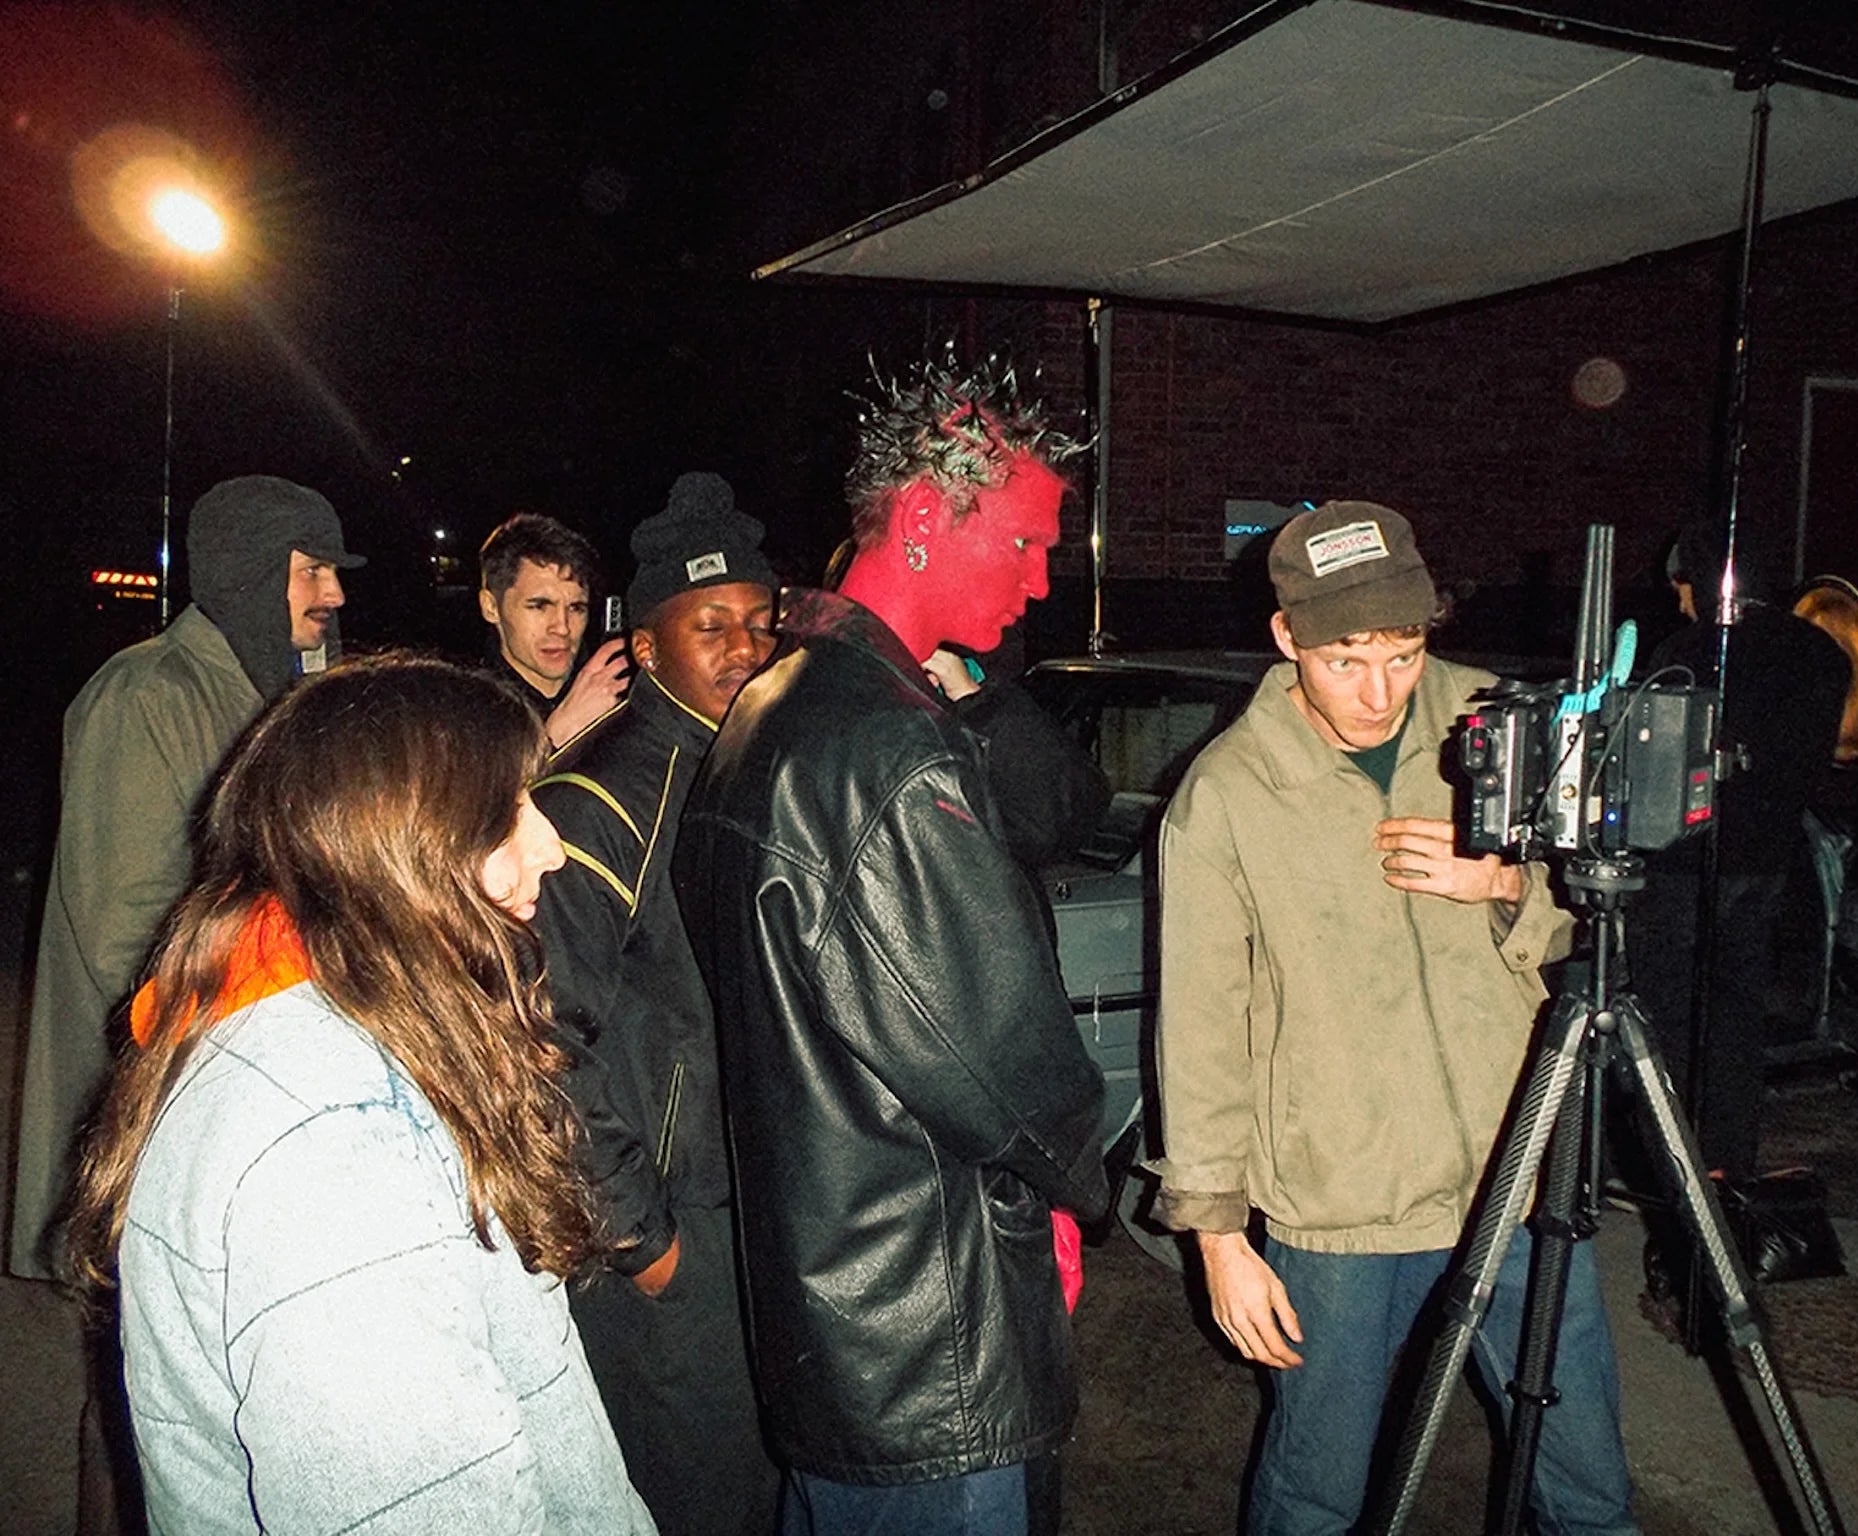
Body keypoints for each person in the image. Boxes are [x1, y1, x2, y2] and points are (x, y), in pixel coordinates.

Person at [64, 654, 657, 1536]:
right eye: (510, 812)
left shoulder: (324, 1024)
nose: (552, 846)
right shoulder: (333, 1150)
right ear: (404, 847)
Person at [674, 357, 1108, 1535]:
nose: (1041, 577)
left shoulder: (772, 704)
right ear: (922, 519)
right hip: (928, 1338)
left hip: (832, 1320)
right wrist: (1082, 1182)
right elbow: (1001, 1057)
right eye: (1024, 542)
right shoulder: (885, 748)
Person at [1153, 502, 1637, 1535]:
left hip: (1515, 1181)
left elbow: (1592, 912)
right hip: (1341, 1207)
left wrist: (1504, 883)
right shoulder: (1227, 794)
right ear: (1288, 638)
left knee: (1590, 1491)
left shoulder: (1496, 727)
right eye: (1346, 661)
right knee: (1317, 1496)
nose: (1379, 693)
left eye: (1404, 656)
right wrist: (1219, 1240)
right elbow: (1200, 1028)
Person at [9, 474, 361, 1280]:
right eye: (312, 570)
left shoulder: (281, 692)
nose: (335, 594)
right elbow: (123, 922)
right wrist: (231, 1044)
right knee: (135, 1312)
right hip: (160, 1070)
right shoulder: (146, 694)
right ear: (249, 572)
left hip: (239, 1057)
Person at [531, 472, 781, 1536]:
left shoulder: (749, 768)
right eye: (710, 625)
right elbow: (537, 1038)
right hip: (668, 1231)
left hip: (754, 1209)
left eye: (760, 622)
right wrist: (643, 1241)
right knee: (689, 1497)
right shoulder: (598, 800)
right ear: (644, 645)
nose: (744, 648)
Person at [1626, 523, 1849, 1183]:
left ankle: (1671, 1166)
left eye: (1682, 588)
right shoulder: (1820, 651)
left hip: (1683, 866)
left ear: (1697, 581)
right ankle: (1730, 1160)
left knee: (1669, 1018)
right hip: (1768, 861)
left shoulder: (1690, 648)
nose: (1680, 604)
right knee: (1737, 1014)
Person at [478, 511, 631, 749]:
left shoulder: (620, 695)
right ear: (491, 607)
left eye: (576, 608)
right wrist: (555, 740)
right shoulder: (460, 715)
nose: (562, 627)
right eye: (539, 606)